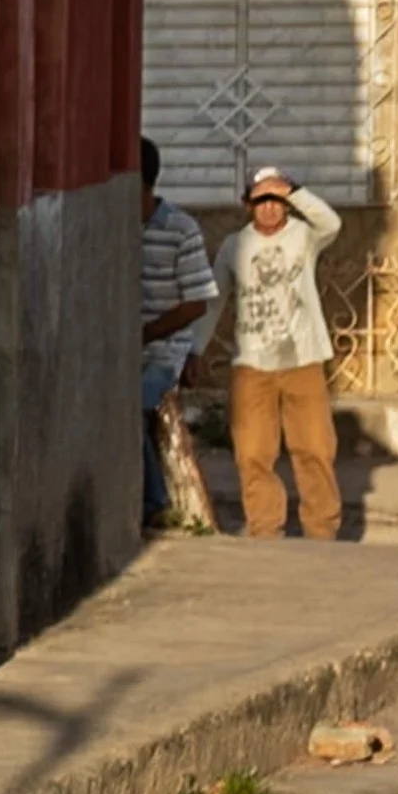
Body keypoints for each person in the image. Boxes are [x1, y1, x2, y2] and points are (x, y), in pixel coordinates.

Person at [211, 167, 344, 539]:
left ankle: (322, 531)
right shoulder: (235, 246)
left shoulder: (303, 235)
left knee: (314, 448)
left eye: (276, 201)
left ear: (286, 203)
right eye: (261, 200)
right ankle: (266, 529)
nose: (269, 209)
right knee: (253, 453)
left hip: (303, 359)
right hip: (253, 364)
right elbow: (214, 301)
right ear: (247, 204)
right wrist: (191, 350)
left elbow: (331, 223)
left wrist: (294, 190)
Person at [139, 138, 218, 523]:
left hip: (164, 350)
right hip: (124, 349)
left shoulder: (180, 228)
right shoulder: (114, 227)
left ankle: (154, 503)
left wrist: (146, 334)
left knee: (133, 406)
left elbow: (197, 303)